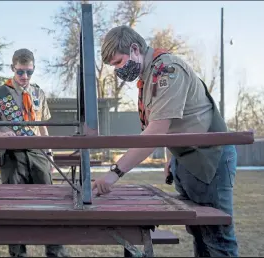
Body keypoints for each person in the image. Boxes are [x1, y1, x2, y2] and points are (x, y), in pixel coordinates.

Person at [92, 25, 238, 257]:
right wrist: (172, 157)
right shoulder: (149, 74)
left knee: (217, 236)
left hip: (210, 156)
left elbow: (157, 131)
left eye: (118, 62)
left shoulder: (168, 70)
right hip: (186, 157)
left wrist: (114, 173)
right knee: (200, 233)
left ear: (134, 49)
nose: (118, 70)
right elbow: (175, 122)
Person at [0, 48, 69, 257]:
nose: (24, 77)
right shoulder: (0, 94)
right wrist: (1, 136)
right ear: (13, 68)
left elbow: (42, 126)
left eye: (29, 72)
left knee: (50, 205)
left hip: (38, 154)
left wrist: (50, 154)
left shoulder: (38, 92)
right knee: (14, 208)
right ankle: (18, 254)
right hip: (12, 156)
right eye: (20, 72)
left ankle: (55, 252)